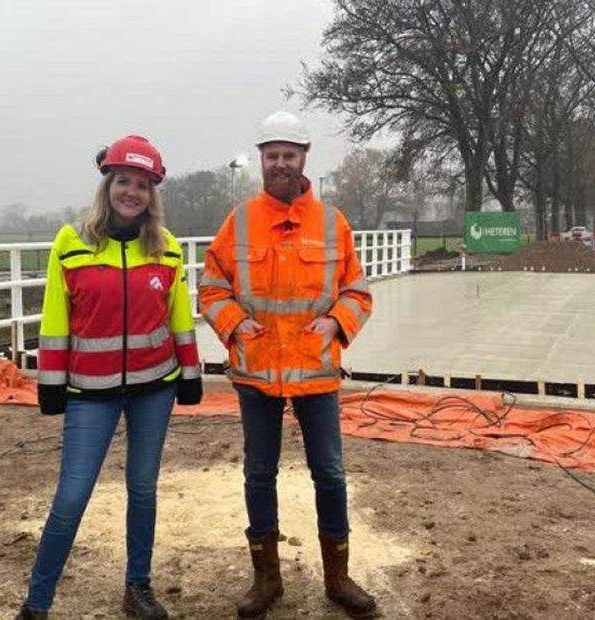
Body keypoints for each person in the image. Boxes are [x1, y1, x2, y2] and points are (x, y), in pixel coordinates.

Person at [16, 135, 203, 620]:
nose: (132, 192)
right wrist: (50, 383)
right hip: (88, 395)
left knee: (143, 489)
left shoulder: (167, 248)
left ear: (152, 194)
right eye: (124, 181)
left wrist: (190, 373)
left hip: (154, 390)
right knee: (72, 495)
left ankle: (137, 588)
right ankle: (36, 605)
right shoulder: (71, 243)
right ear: (108, 185)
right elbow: (55, 319)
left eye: (142, 185)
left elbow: (179, 316)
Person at [199, 111, 377, 619]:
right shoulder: (238, 221)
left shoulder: (331, 221)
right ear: (261, 159)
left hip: (317, 373)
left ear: (304, 159)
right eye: (271, 155)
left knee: (331, 474)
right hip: (256, 374)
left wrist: (337, 323)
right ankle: (266, 580)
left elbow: (357, 289)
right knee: (259, 474)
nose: (279, 163)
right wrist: (233, 325)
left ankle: (338, 578)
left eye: (288, 155)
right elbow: (212, 288)